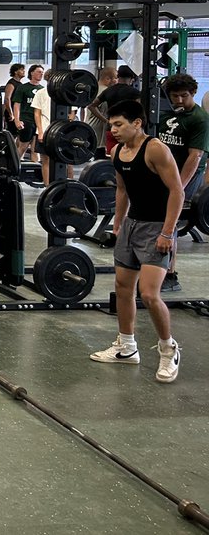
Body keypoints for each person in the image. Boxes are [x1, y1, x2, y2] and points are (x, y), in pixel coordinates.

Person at [90, 99, 184, 383]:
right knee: (122, 287)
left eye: (119, 125)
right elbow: (122, 189)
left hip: (156, 228)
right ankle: (127, 347)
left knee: (149, 294)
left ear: (137, 123)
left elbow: (177, 191)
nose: (114, 130)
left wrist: (168, 232)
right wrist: (118, 223)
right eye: (111, 125)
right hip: (131, 227)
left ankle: (169, 349)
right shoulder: (118, 151)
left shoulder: (155, 149)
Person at [156, 72, 209, 293]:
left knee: (170, 220)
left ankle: (170, 275)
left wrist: (179, 187)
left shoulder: (200, 119)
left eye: (183, 96)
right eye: (174, 96)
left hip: (186, 175)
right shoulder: (167, 113)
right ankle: (154, 268)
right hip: (163, 172)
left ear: (193, 93)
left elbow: (194, 157)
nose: (179, 100)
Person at [89, 65, 140, 154]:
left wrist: (105, 120)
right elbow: (139, 110)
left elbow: (91, 106)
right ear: (131, 78)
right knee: (127, 158)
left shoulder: (109, 90)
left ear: (118, 76)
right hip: (128, 130)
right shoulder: (135, 93)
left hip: (112, 128)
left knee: (112, 157)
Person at [12, 64, 44, 161]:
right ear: (32, 73)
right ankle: (15, 170)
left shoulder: (42, 89)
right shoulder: (23, 88)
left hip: (38, 122)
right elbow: (17, 105)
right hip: (26, 120)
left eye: (42, 73)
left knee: (35, 149)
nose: (41, 74)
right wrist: (17, 120)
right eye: (39, 72)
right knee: (23, 146)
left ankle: (34, 172)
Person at [85, 67, 118, 159]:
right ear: (108, 79)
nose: (117, 81)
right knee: (100, 155)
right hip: (99, 130)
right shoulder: (105, 92)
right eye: (115, 78)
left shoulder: (92, 89)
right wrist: (106, 121)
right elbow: (92, 106)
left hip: (91, 126)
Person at [2, 63, 25, 134]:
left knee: (19, 134)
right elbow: (7, 99)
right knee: (12, 134)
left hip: (17, 112)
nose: (24, 71)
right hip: (11, 112)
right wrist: (11, 113)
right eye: (21, 70)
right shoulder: (11, 83)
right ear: (15, 72)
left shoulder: (20, 84)